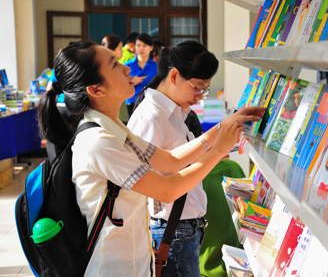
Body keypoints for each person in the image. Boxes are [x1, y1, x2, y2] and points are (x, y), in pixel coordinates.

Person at [37, 40, 264, 277]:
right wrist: (217, 151)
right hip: (114, 268)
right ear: (96, 90)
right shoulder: (99, 141)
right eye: (115, 65)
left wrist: (224, 127)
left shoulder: (116, 130)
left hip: (133, 261)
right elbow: (166, 190)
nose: (127, 69)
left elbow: (171, 160)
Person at [128, 40, 238, 276]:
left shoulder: (175, 113)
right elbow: (151, 185)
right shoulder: (151, 118)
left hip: (182, 228)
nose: (200, 96)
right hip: (172, 230)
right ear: (175, 75)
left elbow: (175, 163)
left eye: (205, 90)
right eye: (198, 87)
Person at [124, 33, 157, 117]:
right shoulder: (127, 65)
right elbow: (119, 85)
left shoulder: (156, 67)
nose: (141, 48)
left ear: (151, 47)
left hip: (151, 103)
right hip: (131, 102)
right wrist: (131, 82)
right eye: (138, 45)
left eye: (144, 45)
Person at [101, 34, 128, 124]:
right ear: (111, 51)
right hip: (114, 112)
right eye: (120, 48)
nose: (122, 52)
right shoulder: (107, 70)